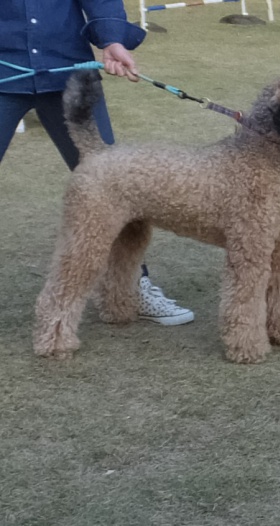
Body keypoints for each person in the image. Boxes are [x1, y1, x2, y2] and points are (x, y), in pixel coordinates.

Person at [1, 0, 194, 326]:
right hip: (5, 73)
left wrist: (111, 39)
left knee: (113, 190)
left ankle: (132, 288)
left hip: (68, 70)